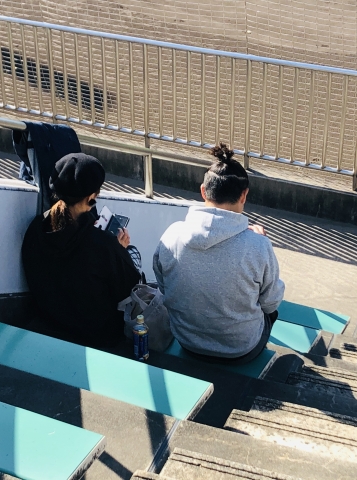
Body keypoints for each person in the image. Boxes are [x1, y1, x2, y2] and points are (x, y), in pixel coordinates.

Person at [153, 143, 285, 364]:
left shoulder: (172, 234)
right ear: (244, 195)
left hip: (187, 341)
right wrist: (261, 241)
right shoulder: (258, 245)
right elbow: (271, 303)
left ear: (203, 191)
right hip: (242, 349)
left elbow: (164, 286)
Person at [21, 153, 140, 349]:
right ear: (91, 197)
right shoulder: (103, 245)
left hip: (48, 325)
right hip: (96, 338)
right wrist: (121, 251)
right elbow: (129, 289)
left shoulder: (35, 229)